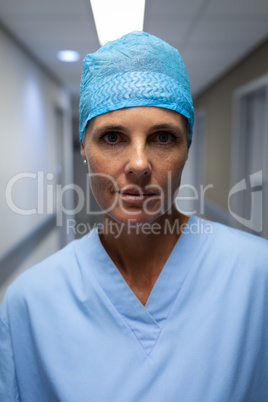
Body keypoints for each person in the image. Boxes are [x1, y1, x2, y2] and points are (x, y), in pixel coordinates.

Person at [0, 31, 268, 402]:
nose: (140, 164)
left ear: (187, 147)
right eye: (112, 138)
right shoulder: (29, 305)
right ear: (83, 148)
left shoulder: (257, 278)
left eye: (162, 138)